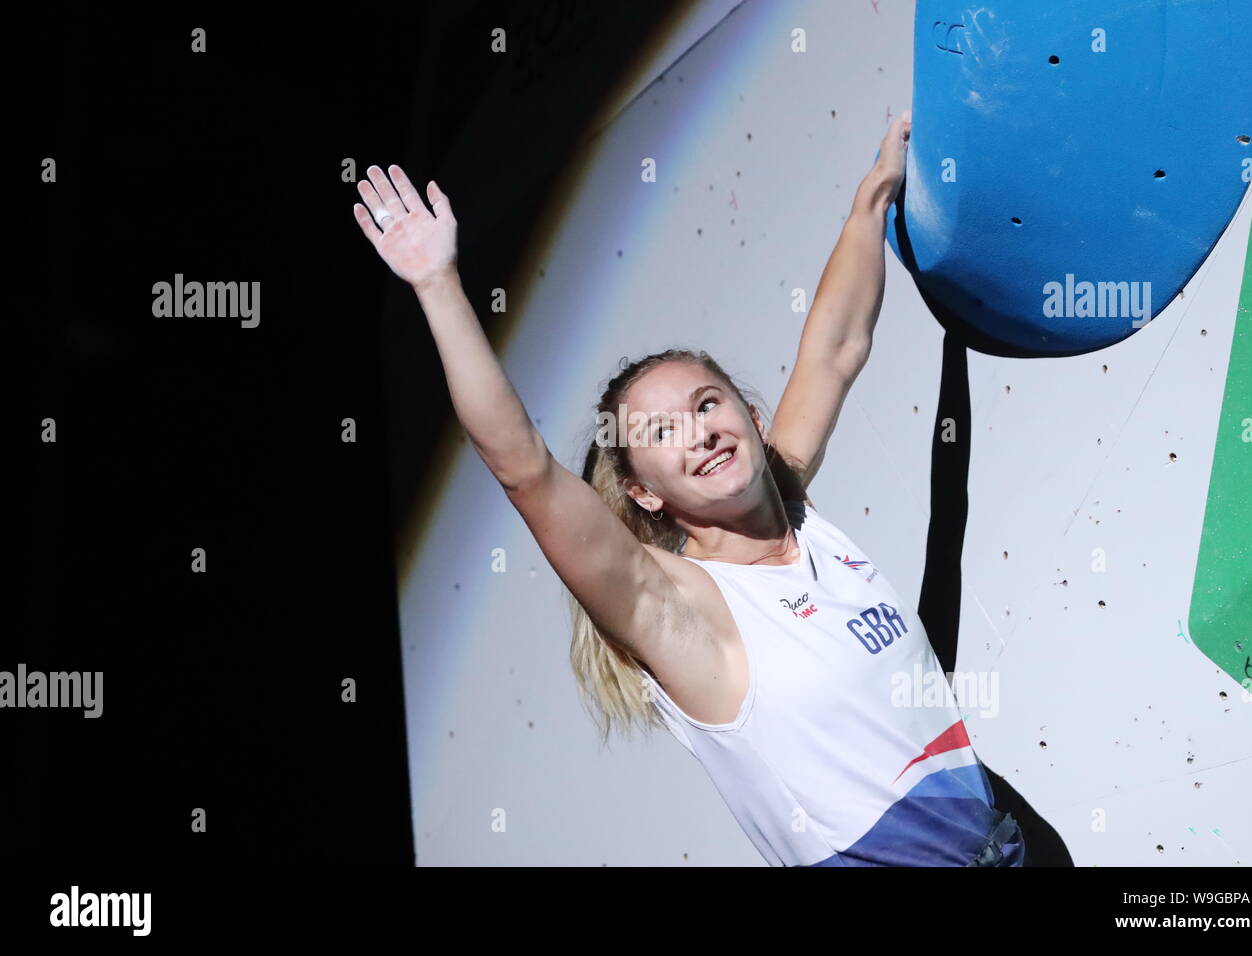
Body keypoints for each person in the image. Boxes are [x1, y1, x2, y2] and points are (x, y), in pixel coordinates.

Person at [352, 111, 1023, 866]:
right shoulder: (681, 610)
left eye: (707, 405)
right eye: (663, 433)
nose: (700, 432)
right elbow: (523, 468)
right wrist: (438, 283)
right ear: (643, 494)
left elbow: (835, 346)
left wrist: (877, 191)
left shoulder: (793, 502)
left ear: (751, 414)